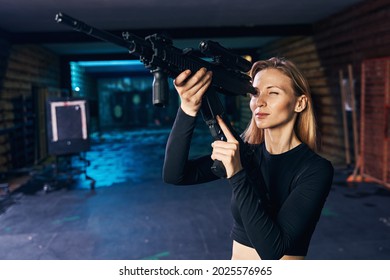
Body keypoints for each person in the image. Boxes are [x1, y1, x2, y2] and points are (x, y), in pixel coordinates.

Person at [162, 57, 334, 260]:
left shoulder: (315, 169)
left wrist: (237, 175)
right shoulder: (248, 153)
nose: (260, 102)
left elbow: (273, 250)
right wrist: (188, 109)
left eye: (273, 92)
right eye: (256, 93)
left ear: (299, 103)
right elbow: (175, 175)